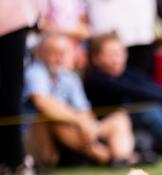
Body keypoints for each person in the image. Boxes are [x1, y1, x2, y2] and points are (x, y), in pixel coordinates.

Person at [23, 33, 140, 167]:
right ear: (40, 54)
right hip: (38, 141)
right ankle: (106, 158)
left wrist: (87, 125)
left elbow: (84, 109)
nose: (59, 58)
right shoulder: (35, 72)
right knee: (53, 118)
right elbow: (43, 103)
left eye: (63, 53)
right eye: (53, 53)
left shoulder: (69, 77)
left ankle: (122, 157)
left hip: (76, 136)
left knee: (119, 117)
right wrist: (79, 120)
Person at [84, 33, 162, 155]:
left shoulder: (127, 73)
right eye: (111, 55)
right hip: (113, 124)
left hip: (141, 120)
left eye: (120, 54)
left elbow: (150, 87)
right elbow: (135, 91)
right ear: (96, 58)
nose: (117, 59)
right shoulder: (97, 79)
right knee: (148, 109)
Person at [0, 0, 45, 175]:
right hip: (13, 18)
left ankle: (15, 160)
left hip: (11, 19)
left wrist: (36, 12)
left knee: (11, 94)